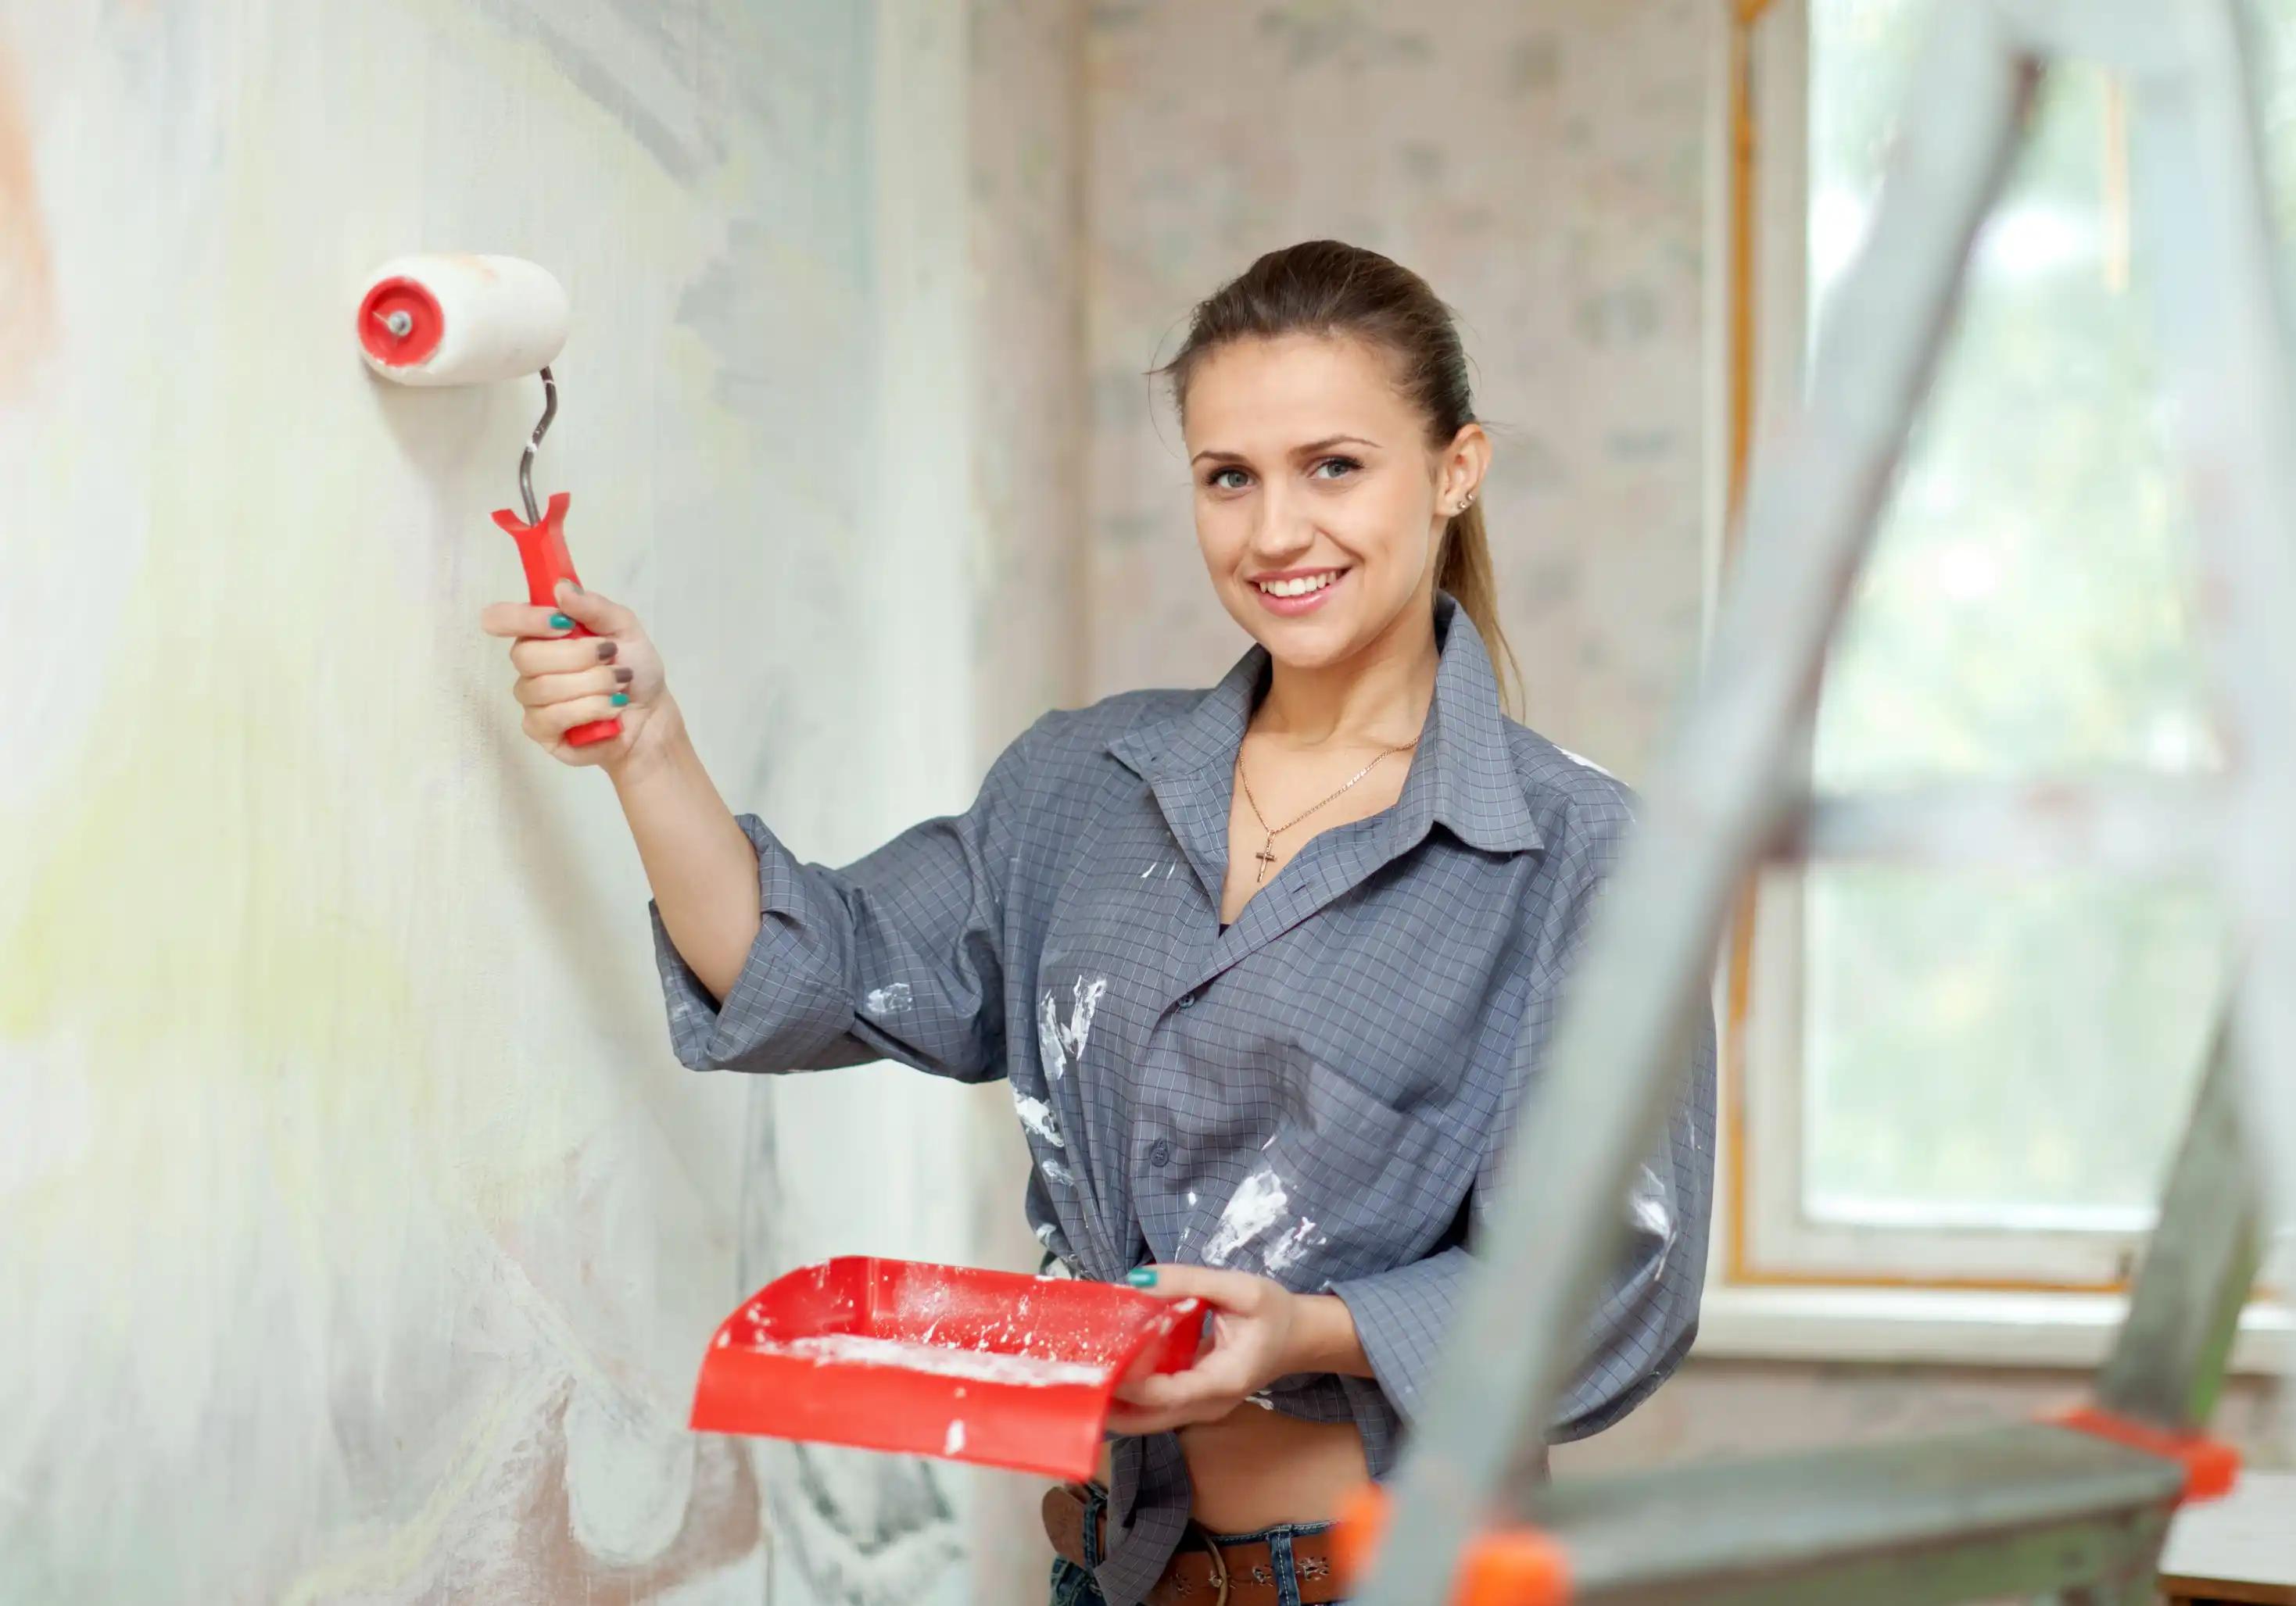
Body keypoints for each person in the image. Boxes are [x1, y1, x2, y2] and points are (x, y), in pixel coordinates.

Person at [483, 240, 1714, 1606]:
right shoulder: (1085, 786)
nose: (1275, 532)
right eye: (1227, 477)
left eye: (1335, 466)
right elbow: (808, 968)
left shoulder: (1579, 852)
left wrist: (1308, 1330)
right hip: (1112, 1577)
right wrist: (646, 743)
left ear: (1456, 469)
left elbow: (1617, 1283)